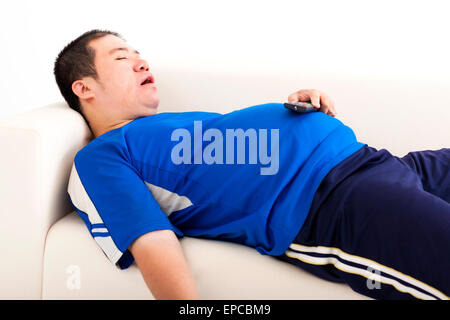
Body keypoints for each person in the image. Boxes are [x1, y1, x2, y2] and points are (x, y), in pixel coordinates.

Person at [54, 29, 450, 300]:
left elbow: (240, 156)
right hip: (338, 203)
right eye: (123, 58)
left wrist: (297, 113)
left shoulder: (164, 125)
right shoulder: (101, 157)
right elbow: (151, 239)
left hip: (378, 163)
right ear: (84, 88)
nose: (142, 63)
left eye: (140, 55)